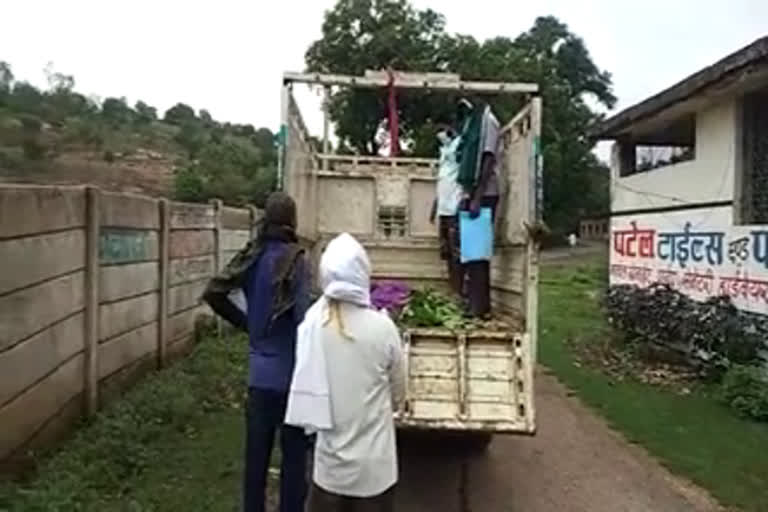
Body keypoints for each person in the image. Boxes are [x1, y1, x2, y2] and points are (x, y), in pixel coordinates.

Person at [202, 191, 310, 512]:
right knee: (293, 461)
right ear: (292, 220)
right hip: (292, 380)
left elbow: (214, 293)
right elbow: (304, 319)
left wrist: (248, 324)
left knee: (256, 464)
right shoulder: (298, 260)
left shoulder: (252, 257)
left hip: (258, 379)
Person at [285, 233, 406, 512]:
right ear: (362, 273)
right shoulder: (383, 328)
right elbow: (399, 392)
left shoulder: (313, 326)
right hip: (375, 473)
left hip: (330, 472)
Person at [455, 98, 501, 318]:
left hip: (484, 194)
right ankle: (475, 302)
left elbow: (488, 158)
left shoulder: (488, 122)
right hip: (471, 193)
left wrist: (477, 196)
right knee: (470, 253)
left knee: (478, 254)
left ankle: (480, 306)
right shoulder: (472, 124)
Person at [430, 126, 464, 295]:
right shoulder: (444, 154)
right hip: (443, 210)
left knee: (455, 251)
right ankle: (453, 288)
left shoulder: (458, 147)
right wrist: (434, 207)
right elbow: (441, 184)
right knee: (446, 252)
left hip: (453, 208)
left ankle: (458, 290)